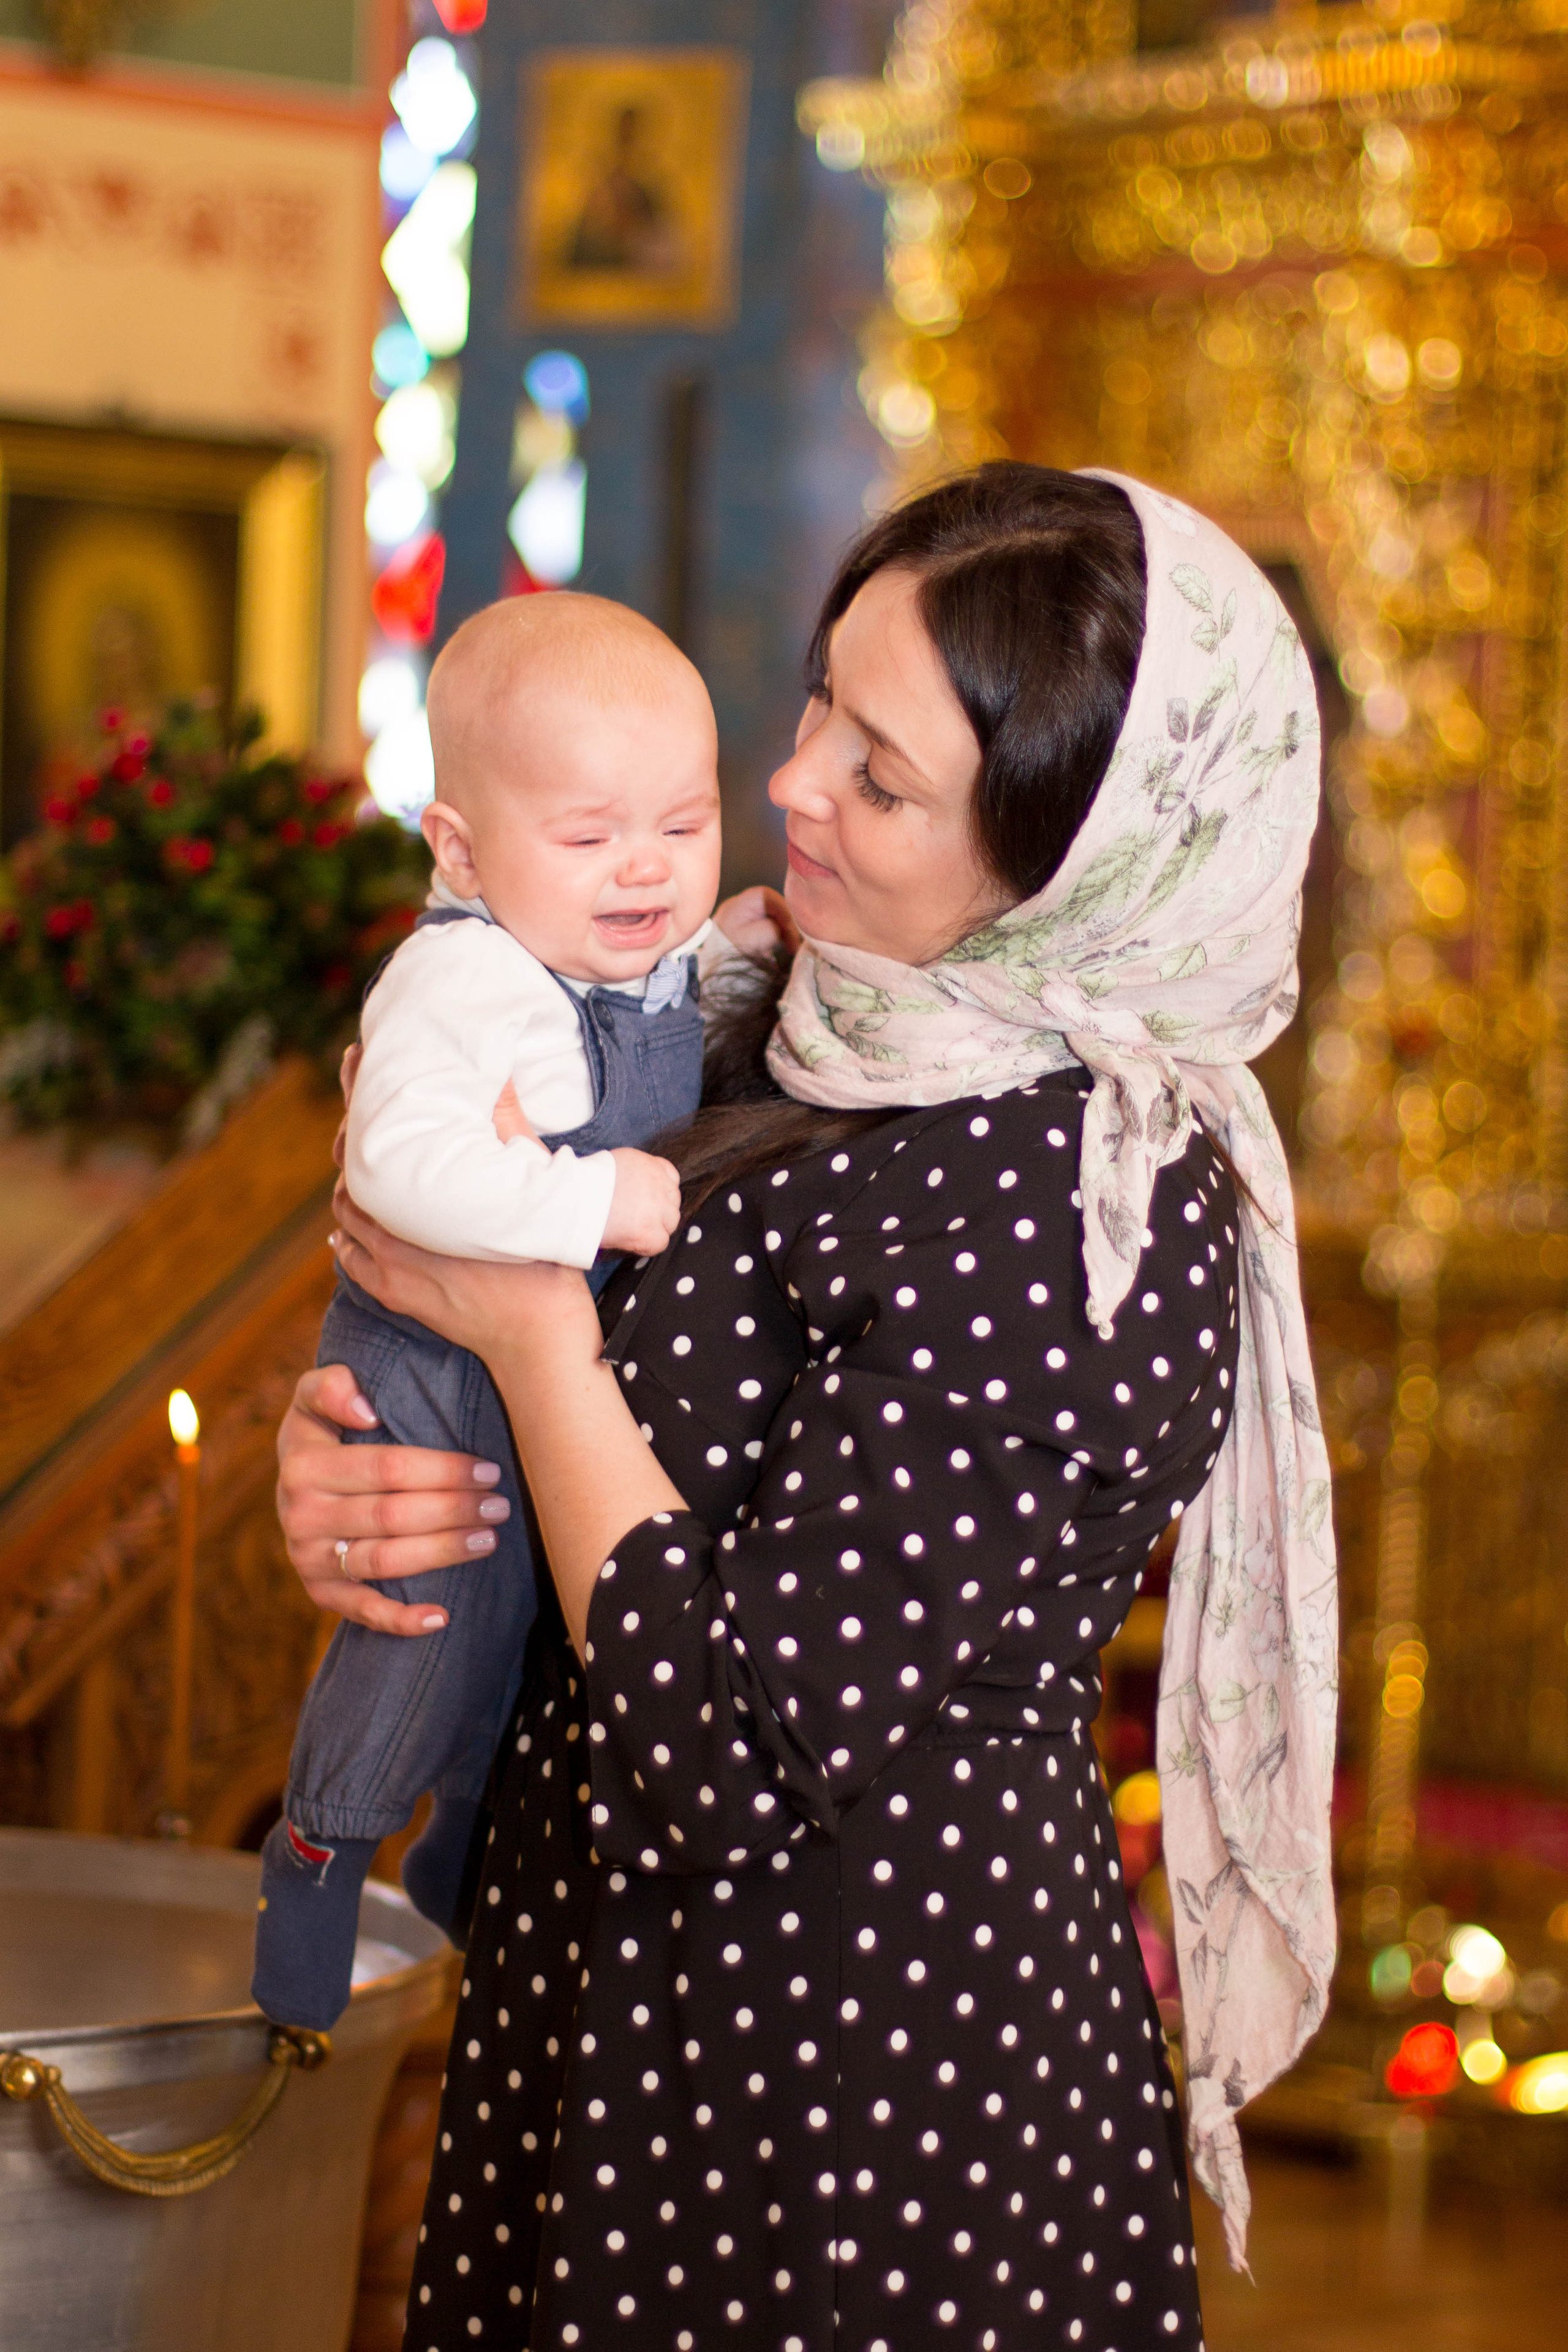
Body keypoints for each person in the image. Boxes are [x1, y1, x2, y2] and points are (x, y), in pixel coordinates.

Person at [274, 464, 1338, 2345]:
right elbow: (556, 1389)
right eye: (822, 702)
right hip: (606, 1988)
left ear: (1072, 863)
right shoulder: (783, 1015)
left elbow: (726, 1737)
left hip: (853, 2078)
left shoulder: (1084, 1199)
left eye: (883, 774)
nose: (793, 784)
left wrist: (531, 1342)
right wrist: (377, 1466)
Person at [253, 594, 735, 2032]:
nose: (644, 867)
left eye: (686, 822)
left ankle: (461, 1851)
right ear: (459, 851)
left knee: (523, 1629)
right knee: (432, 1625)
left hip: (537, 1383)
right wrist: (590, 1207)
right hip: (435, 1369)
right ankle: (322, 1847)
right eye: (588, 838)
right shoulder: (465, 974)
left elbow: (676, 1004)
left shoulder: (628, 951)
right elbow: (401, 1165)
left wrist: (741, 946)